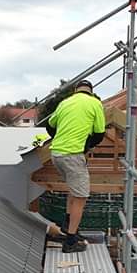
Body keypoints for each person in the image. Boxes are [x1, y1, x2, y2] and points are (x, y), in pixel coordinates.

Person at [46, 79, 107, 253]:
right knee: (81, 197)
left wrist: (62, 138)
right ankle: (71, 241)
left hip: (56, 154)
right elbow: (99, 133)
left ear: (75, 90)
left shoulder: (65, 103)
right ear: (91, 91)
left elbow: (50, 126)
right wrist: (86, 145)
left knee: (73, 191)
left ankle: (68, 225)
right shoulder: (94, 103)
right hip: (72, 155)